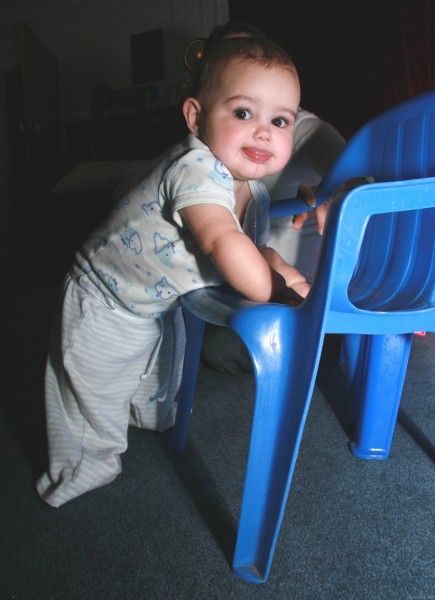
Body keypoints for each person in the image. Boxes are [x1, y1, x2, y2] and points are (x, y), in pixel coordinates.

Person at [37, 36, 309, 507]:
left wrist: (296, 279)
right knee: (92, 389)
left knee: (159, 374)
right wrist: (277, 290)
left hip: (157, 303)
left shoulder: (254, 189)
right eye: (244, 113)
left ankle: (150, 414)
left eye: (280, 120)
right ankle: (84, 463)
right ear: (196, 117)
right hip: (102, 296)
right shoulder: (197, 168)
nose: (264, 131)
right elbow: (223, 241)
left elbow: (255, 247)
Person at [199, 21, 346, 373]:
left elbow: (354, 172)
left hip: (297, 287)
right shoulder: (210, 146)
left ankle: (319, 333)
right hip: (235, 279)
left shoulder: (302, 129)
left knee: (224, 343)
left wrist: (335, 192)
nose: (263, 130)